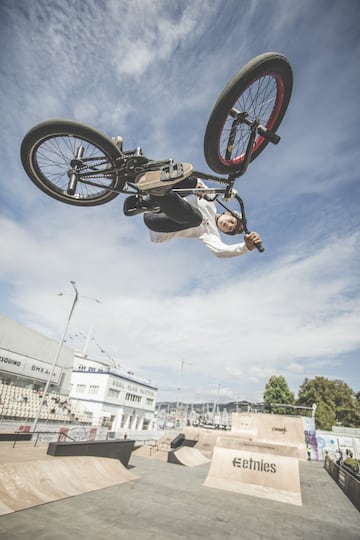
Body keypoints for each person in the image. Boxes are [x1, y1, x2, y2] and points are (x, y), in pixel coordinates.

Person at [123, 163, 262, 258]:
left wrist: (246, 247)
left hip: (157, 224)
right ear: (227, 213)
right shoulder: (211, 200)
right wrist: (205, 189)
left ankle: (159, 192)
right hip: (155, 204)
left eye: (230, 229)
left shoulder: (212, 234)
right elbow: (198, 183)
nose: (229, 225)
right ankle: (128, 168)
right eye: (232, 221)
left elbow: (221, 251)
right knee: (193, 182)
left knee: (197, 218)